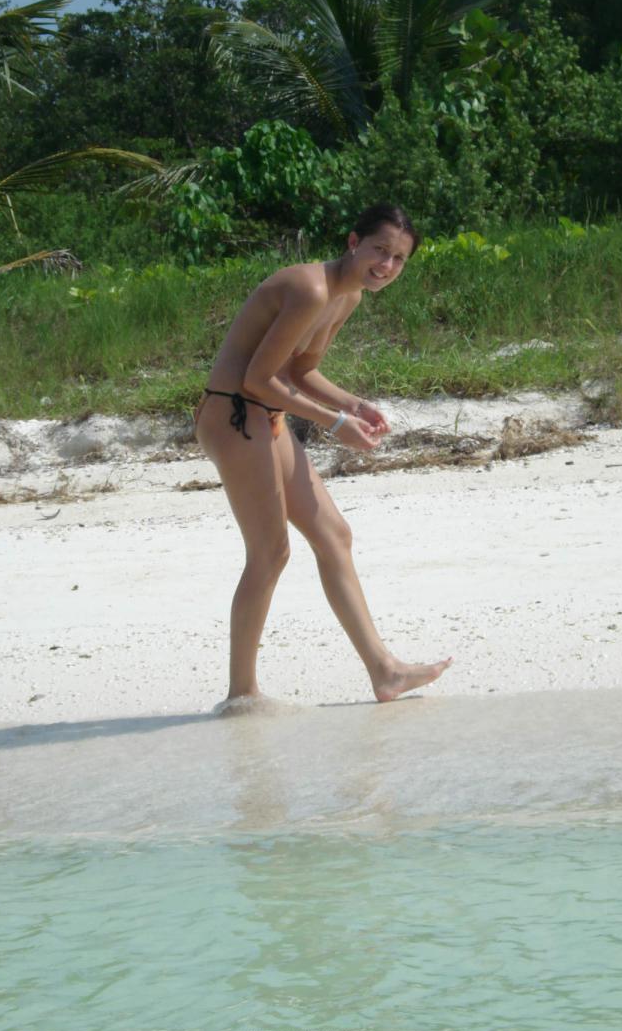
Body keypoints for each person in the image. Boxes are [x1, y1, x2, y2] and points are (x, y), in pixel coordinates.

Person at [194, 204, 453, 711]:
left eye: (399, 259)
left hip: (264, 415)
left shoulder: (347, 296)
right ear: (354, 241)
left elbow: (300, 370)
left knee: (334, 534)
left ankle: (386, 671)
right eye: (380, 250)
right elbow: (256, 379)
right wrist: (334, 425)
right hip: (234, 414)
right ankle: (241, 695)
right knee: (270, 553)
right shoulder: (310, 288)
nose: (387, 266)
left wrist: (352, 404)